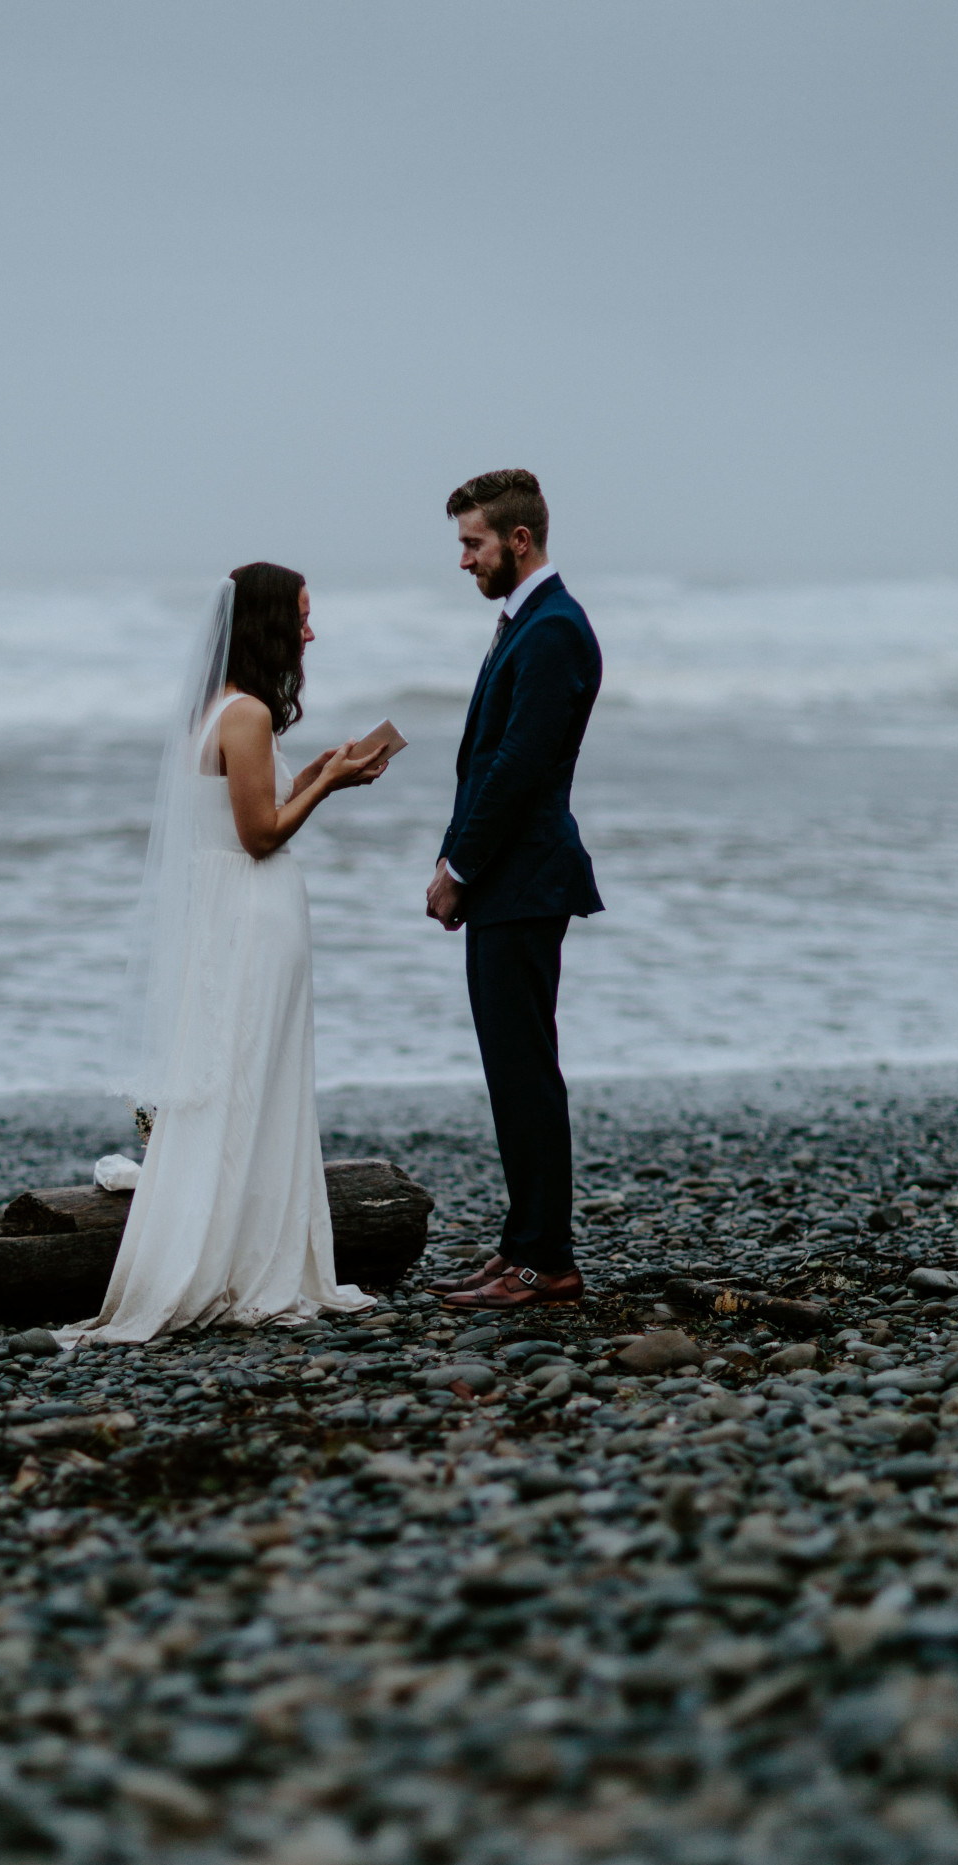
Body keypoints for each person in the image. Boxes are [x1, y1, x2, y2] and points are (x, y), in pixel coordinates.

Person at [57, 564, 389, 1346]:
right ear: (269, 624)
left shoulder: (215, 713)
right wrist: (331, 785)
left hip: (225, 911)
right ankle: (246, 1256)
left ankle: (235, 1236)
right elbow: (261, 835)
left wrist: (308, 775)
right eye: (301, 618)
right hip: (252, 909)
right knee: (252, 1077)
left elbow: (243, 812)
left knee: (239, 1070)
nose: (310, 632)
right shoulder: (246, 717)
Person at [424, 469, 603, 1311]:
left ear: (518, 541)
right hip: (510, 879)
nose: (464, 559)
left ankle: (547, 1264)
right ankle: (521, 1247)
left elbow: (517, 770)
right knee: (511, 1070)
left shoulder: (556, 630)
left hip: (524, 879)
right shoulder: (526, 623)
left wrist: (458, 868)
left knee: (527, 1072)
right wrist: (455, 859)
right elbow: (485, 764)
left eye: (473, 543)